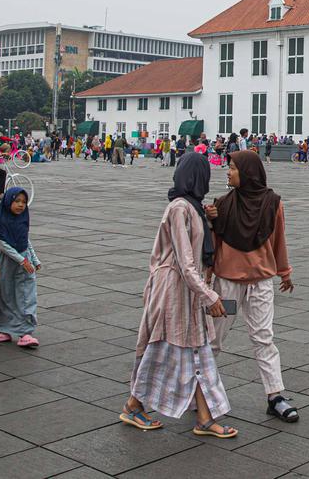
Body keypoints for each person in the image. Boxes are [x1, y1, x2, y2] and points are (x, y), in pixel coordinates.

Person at [121, 153, 237, 438]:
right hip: (173, 289)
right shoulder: (180, 209)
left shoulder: (193, 208)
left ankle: (203, 417)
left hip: (186, 289)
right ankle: (134, 406)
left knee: (194, 351)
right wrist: (209, 296)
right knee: (166, 349)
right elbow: (185, 262)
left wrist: (209, 221)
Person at [205, 151, 299, 424]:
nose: (228, 171)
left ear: (248, 173)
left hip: (260, 284)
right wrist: (207, 281)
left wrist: (284, 272)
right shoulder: (221, 205)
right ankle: (201, 392)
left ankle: (275, 396)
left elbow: (279, 240)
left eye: (233, 168)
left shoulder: (272, 203)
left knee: (264, 338)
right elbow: (212, 246)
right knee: (214, 339)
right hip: (227, 286)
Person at [0, 187, 42, 349]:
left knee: (25, 295)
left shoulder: (22, 220)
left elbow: (26, 240)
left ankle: (25, 332)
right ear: (8, 202)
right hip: (7, 264)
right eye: (17, 201)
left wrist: (34, 259)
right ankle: (3, 329)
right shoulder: (1, 222)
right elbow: (3, 245)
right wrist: (21, 260)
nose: (20, 205)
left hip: (24, 264)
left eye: (23, 202)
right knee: (4, 294)